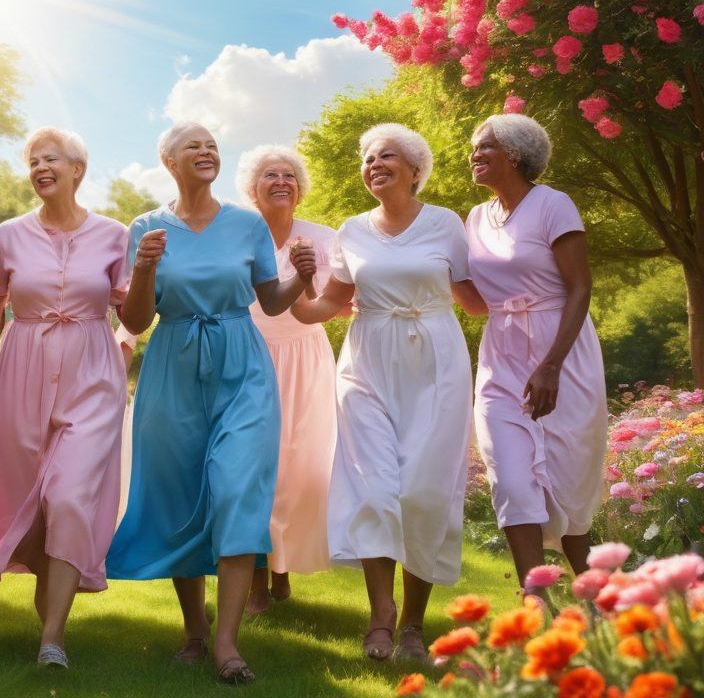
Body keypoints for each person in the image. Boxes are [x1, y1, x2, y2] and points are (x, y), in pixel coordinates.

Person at [106, 122, 317, 686]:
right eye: (192, 146)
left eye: (212, 146)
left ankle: (227, 643)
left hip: (241, 364)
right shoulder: (146, 227)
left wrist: (301, 277)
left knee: (237, 489)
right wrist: (145, 267)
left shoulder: (246, 224)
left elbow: (271, 302)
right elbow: (134, 320)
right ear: (169, 161)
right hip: (173, 363)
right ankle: (194, 629)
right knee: (178, 496)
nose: (205, 152)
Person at [291, 123, 482, 662]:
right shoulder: (350, 230)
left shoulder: (447, 224)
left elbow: (474, 300)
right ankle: (381, 618)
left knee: (423, 494)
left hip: (435, 363)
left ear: (415, 169)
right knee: (373, 489)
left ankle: (415, 627)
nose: (374, 163)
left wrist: (533, 287)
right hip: (367, 361)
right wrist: (303, 282)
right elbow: (321, 307)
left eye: (387, 156)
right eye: (368, 157)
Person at [0, 127, 129, 670]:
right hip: (22, 372)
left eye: (50, 159)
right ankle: (48, 588)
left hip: (93, 373)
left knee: (70, 495)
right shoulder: (7, 235)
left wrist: (146, 275)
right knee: (27, 504)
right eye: (33, 161)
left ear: (78, 169)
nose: (39, 168)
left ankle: (52, 637)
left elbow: (135, 312)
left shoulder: (113, 234)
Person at [466, 113, 607, 588]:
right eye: (475, 147)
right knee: (509, 477)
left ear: (517, 154)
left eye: (486, 147)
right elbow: (471, 294)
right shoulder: (476, 218)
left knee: (569, 478)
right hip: (501, 355)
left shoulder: (554, 204)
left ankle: (592, 592)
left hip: (561, 351)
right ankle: (535, 599)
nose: (475, 155)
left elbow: (580, 286)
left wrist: (551, 365)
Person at [234, 144, 338, 615]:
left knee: (297, 468)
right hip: (249, 355)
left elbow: (329, 306)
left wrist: (306, 274)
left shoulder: (323, 237)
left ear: (300, 188)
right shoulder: (237, 235)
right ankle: (255, 580)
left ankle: (282, 570)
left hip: (305, 355)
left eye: (289, 175)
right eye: (270, 175)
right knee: (253, 466)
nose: (281, 181)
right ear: (252, 189)